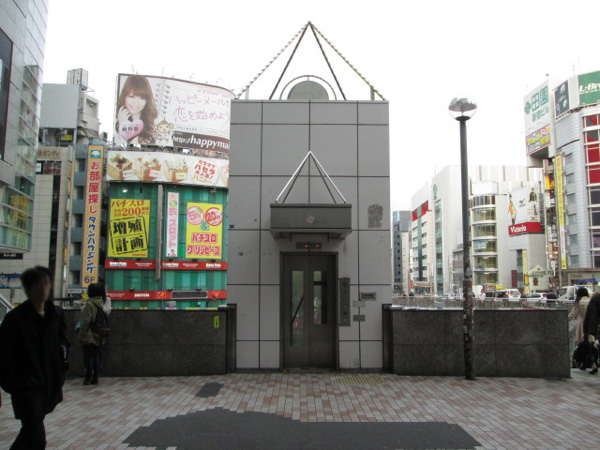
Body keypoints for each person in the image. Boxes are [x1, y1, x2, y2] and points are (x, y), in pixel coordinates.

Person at [0, 266, 69, 449]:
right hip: (26, 387)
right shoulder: (15, 319)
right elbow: (4, 354)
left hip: (48, 384)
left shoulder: (55, 314)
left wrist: (62, 366)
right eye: (38, 285)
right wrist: (13, 383)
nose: (43, 289)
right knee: (37, 438)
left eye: (46, 283)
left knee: (29, 434)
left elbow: (63, 341)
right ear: (28, 288)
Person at [115, 74, 157, 145]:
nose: (136, 103)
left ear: (147, 100)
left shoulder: (154, 126)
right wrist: (122, 124)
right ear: (124, 96)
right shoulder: (117, 123)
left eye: (142, 98)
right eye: (131, 96)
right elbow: (119, 148)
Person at [79, 282, 106, 385]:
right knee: (96, 356)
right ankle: (95, 378)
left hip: (90, 333)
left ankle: (88, 377)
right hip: (99, 333)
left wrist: (82, 333)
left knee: (89, 357)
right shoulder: (101, 303)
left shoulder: (89, 304)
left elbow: (86, 321)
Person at [582, 292, 600, 374]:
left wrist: (586, 329)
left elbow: (589, 315)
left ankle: (594, 364)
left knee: (593, 346)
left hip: (594, 328)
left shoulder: (595, 298)